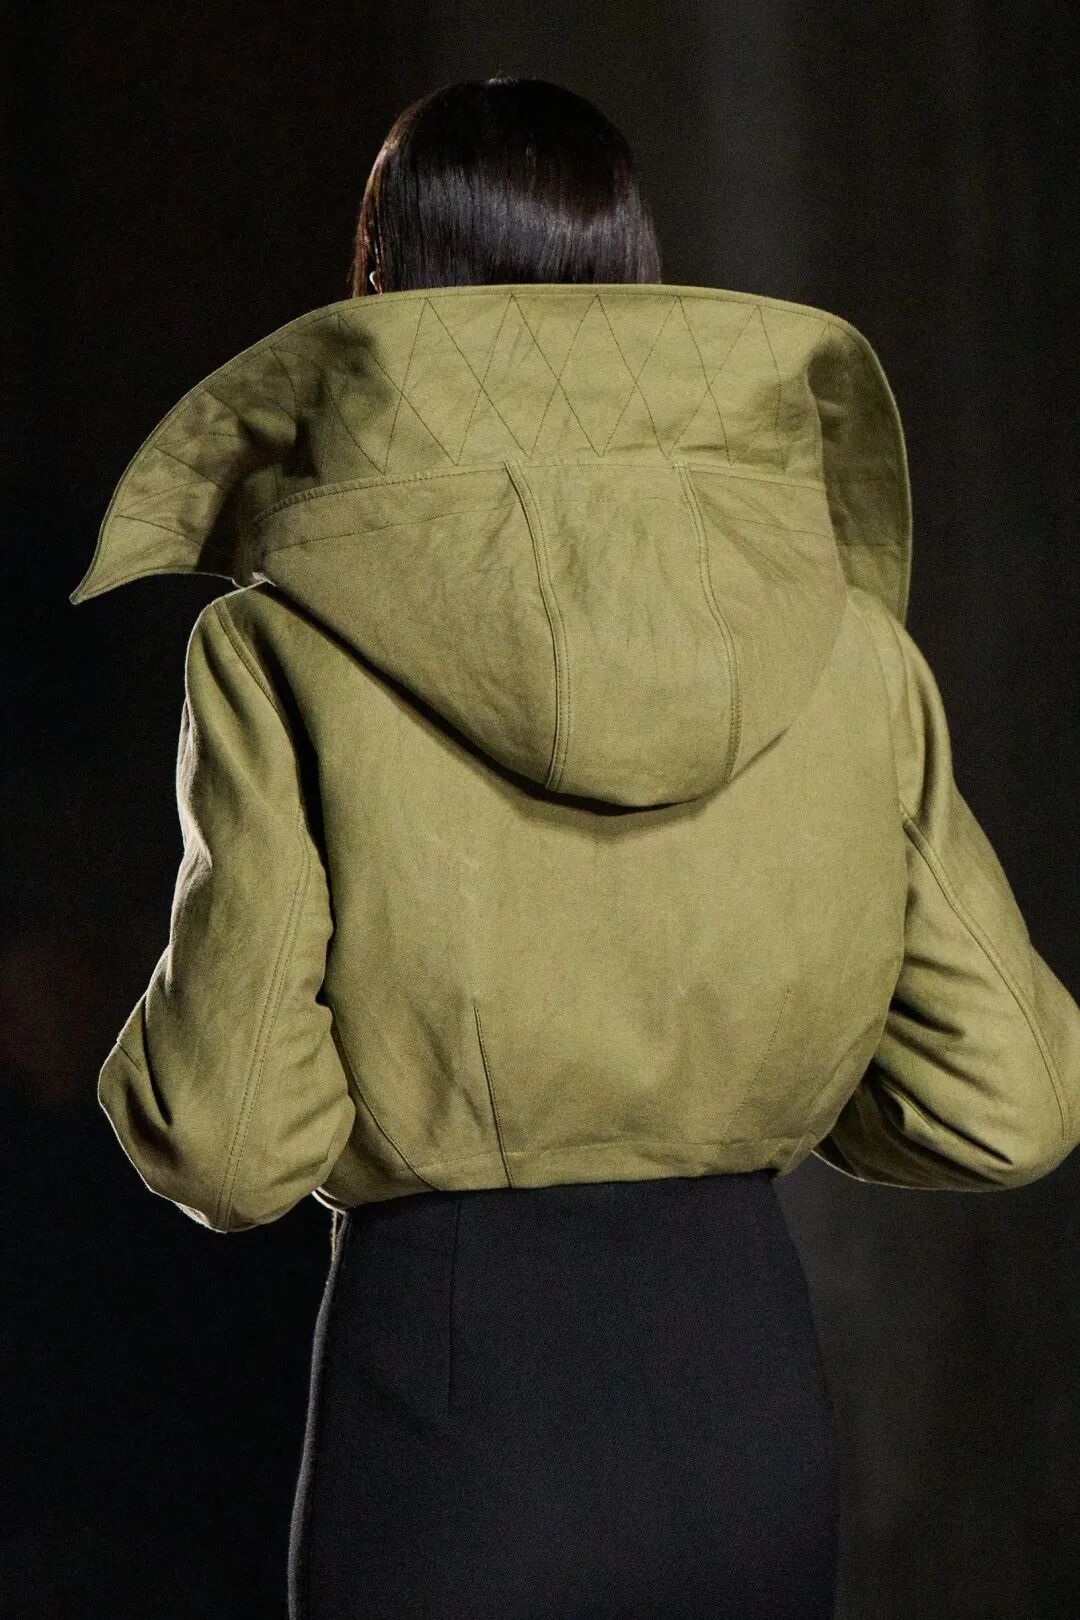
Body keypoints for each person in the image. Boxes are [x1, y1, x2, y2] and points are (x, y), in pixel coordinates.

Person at [71, 75, 1080, 1620]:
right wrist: (756, 1082)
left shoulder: (282, 646)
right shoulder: (844, 644)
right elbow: (1008, 1098)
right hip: (747, 1401)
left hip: (451, 1406)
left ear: (381, 278)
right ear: (634, 278)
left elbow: (225, 1135)